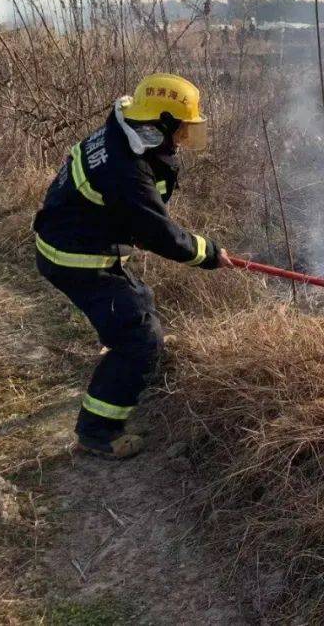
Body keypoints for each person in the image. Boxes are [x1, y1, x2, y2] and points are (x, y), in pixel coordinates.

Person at [33, 73, 230, 458]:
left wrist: (127, 223)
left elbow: (129, 210)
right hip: (75, 259)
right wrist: (209, 253)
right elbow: (161, 234)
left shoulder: (123, 130)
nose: (183, 141)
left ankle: (124, 347)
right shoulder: (125, 168)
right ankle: (98, 433)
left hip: (77, 241)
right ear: (161, 122)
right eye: (181, 131)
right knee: (139, 337)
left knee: (137, 301)